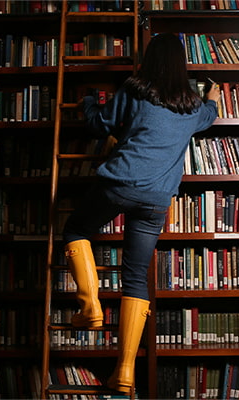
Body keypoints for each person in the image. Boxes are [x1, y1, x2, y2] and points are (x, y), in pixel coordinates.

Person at [62, 32, 220, 394]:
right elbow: (209, 116)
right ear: (182, 66)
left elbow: (99, 124)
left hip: (119, 184)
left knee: (75, 229)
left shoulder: (135, 91)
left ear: (150, 61)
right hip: (157, 201)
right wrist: (212, 99)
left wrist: (87, 101)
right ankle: (125, 372)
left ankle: (90, 307)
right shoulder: (193, 107)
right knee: (135, 278)